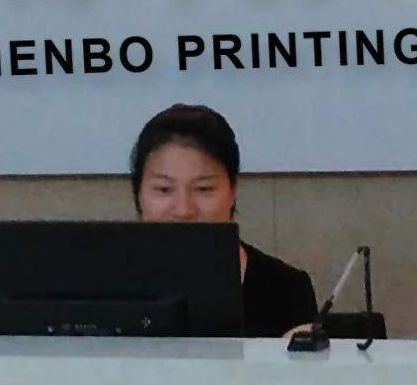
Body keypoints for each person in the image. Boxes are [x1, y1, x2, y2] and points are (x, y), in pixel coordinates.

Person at [128, 103, 317, 339]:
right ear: (138, 192)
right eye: (164, 189)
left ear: (232, 191)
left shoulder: (286, 290)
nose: (183, 210)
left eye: (203, 189)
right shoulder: (105, 285)